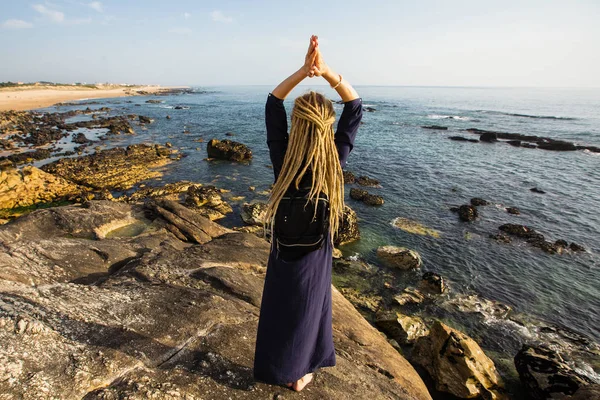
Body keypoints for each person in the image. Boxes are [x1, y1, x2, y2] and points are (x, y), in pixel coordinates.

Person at [253, 35, 363, 392]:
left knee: (280, 307)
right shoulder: (333, 160)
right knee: (311, 306)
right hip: (317, 248)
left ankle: (281, 367)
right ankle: (300, 373)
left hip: (285, 245)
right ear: (326, 124)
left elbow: (273, 103)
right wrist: (327, 72)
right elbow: (355, 106)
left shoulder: (283, 160)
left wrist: (304, 71)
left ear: (297, 123)